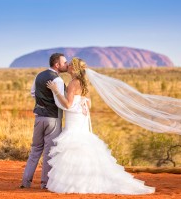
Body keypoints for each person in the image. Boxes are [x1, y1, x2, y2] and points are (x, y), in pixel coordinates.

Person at [45, 57, 156, 194]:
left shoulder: (74, 83)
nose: (67, 66)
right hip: (81, 118)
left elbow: (67, 105)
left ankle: (77, 184)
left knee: (74, 146)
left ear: (74, 68)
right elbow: (89, 104)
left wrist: (55, 91)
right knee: (83, 145)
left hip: (74, 119)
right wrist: (82, 102)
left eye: (70, 65)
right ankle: (83, 180)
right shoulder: (84, 82)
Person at [20, 53, 83, 189]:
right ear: (57, 65)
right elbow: (60, 103)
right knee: (49, 152)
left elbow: (33, 93)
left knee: (35, 150)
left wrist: (42, 102)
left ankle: (25, 182)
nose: (67, 64)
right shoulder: (58, 80)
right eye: (64, 62)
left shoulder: (39, 76)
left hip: (39, 118)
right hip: (53, 119)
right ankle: (45, 184)